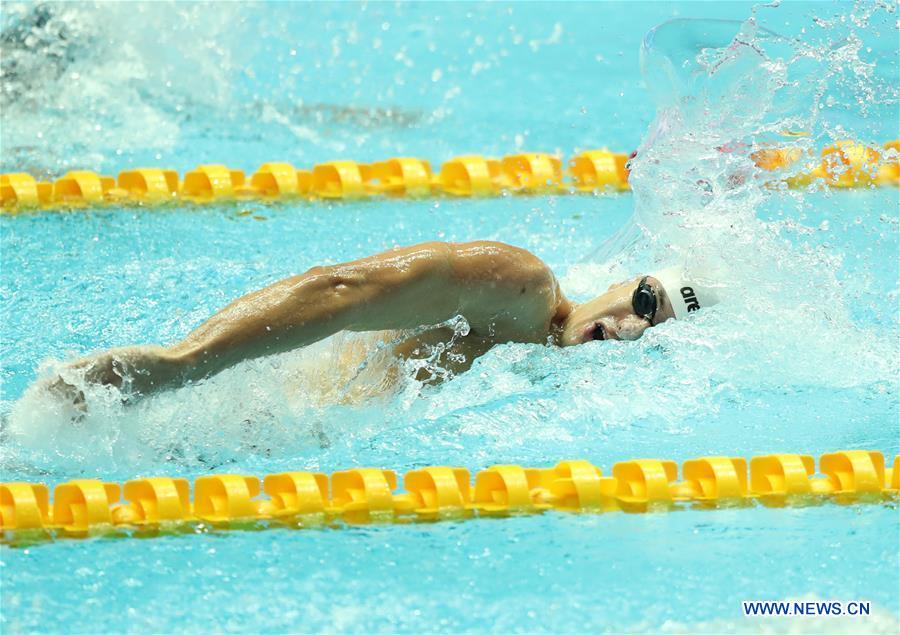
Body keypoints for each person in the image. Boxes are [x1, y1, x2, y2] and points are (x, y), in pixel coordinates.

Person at [55, 240, 717, 400]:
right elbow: (342, 289)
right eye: (645, 303)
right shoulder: (519, 287)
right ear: (619, 281)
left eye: (653, 333)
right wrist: (186, 361)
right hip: (243, 404)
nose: (633, 327)